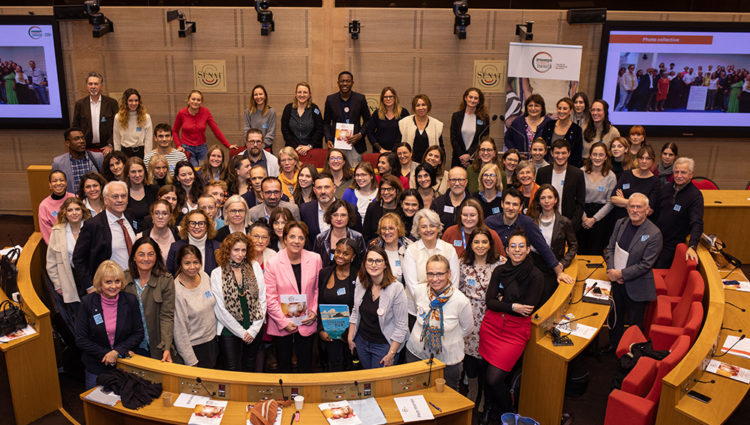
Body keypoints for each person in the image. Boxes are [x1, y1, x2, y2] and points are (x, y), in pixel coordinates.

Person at [479, 229, 543, 420]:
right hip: (491, 326)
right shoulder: (500, 270)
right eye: (512, 246)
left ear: (528, 249)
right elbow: (489, 301)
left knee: (494, 378)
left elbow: (528, 309)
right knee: (485, 373)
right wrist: (513, 305)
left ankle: (509, 410)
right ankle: (490, 407)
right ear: (506, 250)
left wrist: (503, 302)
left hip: (514, 332)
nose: (517, 250)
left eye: (521, 246)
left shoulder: (536, 276)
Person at [405, 254, 473, 390]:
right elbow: (416, 314)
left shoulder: (461, 300)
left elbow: (467, 329)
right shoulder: (419, 291)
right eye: (430, 274)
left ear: (449, 274)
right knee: (415, 392)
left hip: (448, 359)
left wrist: (445, 337)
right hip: (416, 353)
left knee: (447, 398)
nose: (435, 279)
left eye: (440, 274)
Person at [264, 221, 323, 373]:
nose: (296, 241)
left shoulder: (315, 259)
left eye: (301, 238)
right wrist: (283, 322)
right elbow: (270, 297)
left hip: (307, 320)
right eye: (292, 237)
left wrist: (315, 312)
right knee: (283, 366)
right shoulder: (273, 262)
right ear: (284, 239)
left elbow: (318, 289)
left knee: (306, 365)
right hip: (282, 323)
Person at [75, 261, 144, 389]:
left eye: (117, 281)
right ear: (100, 283)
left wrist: (117, 352)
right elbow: (80, 339)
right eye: (108, 282)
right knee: (95, 404)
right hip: (96, 365)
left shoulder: (130, 300)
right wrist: (106, 354)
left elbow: (138, 332)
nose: (113, 286)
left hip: (123, 363)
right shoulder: (87, 303)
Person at [605, 193, 662, 347]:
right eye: (632, 206)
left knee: (634, 326)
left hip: (637, 287)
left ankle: (631, 354)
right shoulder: (620, 223)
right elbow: (610, 248)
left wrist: (621, 274)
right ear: (627, 208)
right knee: (614, 317)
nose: (635, 210)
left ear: (647, 210)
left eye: (639, 207)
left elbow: (646, 264)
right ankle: (613, 346)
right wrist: (611, 271)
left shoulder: (654, 233)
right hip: (616, 282)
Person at [485, 187, 574, 285]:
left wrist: (559, 272)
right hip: (495, 271)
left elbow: (544, 248)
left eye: (515, 204)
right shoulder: (489, 223)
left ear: (521, 207)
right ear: (502, 204)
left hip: (520, 273)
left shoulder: (528, 223)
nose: (510, 208)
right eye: (507, 203)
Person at [458, 227, 503, 407]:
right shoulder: (463, 263)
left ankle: (484, 393)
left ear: (490, 244)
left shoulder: (500, 263)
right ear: (471, 244)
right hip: (469, 315)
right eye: (476, 242)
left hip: (491, 315)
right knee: (469, 356)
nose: (480, 245)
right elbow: (459, 289)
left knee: (487, 356)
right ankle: (473, 388)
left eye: (484, 241)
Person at [211, 233, 267, 372]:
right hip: (229, 329)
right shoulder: (217, 273)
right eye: (236, 250)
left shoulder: (254, 267)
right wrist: (241, 333)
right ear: (228, 250)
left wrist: (253, 330)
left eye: (243, 250)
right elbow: (220, 309)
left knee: (250, 366)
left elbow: (262, 299)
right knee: (232, 368)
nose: (240, 254)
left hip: (254, 326)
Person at [349, 247, 410, 369]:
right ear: (365, 263)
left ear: (385, 265)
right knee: (369, 380)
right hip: (362, 342)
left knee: (381, 385)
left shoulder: (396, 288)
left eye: (378, 261)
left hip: (385, 346)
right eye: (370, 260)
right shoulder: (361, 281)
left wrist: (391, 353)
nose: (373, 265)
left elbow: (401, 326)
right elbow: (355, 311)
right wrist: (350, 337)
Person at [73, 181, 136, 295]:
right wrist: (90, 286)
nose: (120, 200)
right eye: (115, 196)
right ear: (106, 200)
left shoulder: (130, 216)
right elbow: (78, 259)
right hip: (108, 287)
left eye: (123, 196)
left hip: (133, 282)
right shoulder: (93, 225)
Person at [402, 209, 460, 327]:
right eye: (424, 226)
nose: (428, 230)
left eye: (432, 226)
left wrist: (441, 304)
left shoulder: (449, 249)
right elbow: (412, 285)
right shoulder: (411, 251)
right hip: (417, 310)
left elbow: (454, 282)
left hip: (445, 309)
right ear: (418, 229)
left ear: (438, 228)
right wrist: (428, 305)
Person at [122, 237, 174, 362]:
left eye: (150, 254)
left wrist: (167, 346)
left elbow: (167, 316)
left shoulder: (165, 280)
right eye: (141, 254)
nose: (146, 259)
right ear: (134, 257)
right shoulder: (123, 278)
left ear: (156, 257)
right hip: (130, 346)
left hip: (156, 345)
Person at [527, 185, 578, 302]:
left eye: (550, 197)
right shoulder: (531, 220)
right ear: (538, 201)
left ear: (555, 200)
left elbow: (573, 245)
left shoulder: (564, 222)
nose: (546, 201)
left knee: (546, 299)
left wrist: (563, 263)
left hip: (552, 267)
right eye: (543, 198)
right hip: (533, 264)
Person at [173, 245, 219, 368]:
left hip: (212, 341)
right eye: (187, 263)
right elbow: (179, 330)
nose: (192, 267)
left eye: (196, 262)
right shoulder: (177, 290)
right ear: (180, 264)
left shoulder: (204, 277)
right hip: (194, 347)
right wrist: (191, 361)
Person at [317, 238, 360, 371]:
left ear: (353, 257)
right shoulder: (324, 273)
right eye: (338, 251)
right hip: (328, 335)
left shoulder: (359, 276)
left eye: (346, 253)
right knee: (330, 371)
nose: (340, 256)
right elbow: (319, 303)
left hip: (350, 336)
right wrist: (320, 330)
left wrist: (348, 334)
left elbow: (359, 308)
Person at [653, 157, 703, 268]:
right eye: (676, 172)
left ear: (691, 174)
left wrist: (692, 246)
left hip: (672, 244)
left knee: (657, 270)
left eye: (683, 172)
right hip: (655, 238)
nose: (679, 175)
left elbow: (697, 223)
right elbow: (655, 212)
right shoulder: (666, 188)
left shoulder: (695, 196)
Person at [46, 197, 90, 310]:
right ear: (65, 213)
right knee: (79, 314)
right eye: (70, 210)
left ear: (83, 211)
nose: (74, 213)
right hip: (70, 278)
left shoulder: (91, 227)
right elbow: (51, 262)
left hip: (91, 276)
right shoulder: (57, 232)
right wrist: (58, 284)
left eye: (77, 209)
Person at [172, 90, 236, 167]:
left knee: (205, 170)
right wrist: (178, 145)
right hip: (187, 148)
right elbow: (175, 131)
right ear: (188, 101)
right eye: (193, 99)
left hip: (202, 148)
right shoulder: (181, 113)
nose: (195, 102)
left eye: (198, 100)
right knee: (195, 170)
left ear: (201, 102)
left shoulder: (205, 112)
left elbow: (215, 130)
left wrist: (228, 145)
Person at [535, 139, 586, 231]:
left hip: (568, 224)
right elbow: (537, 199)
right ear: (551, 153)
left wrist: (572, 223)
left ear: (569, 153)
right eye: (557, 153)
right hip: (544, 222)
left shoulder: (577, 174)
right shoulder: (542, 172)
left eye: (563, 153)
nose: (560, 156)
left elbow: (580, 202)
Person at [323, 71, 371, 165]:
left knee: (355, 173)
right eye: (342, 81)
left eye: (348, 81)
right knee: (336, 170)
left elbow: (368, 120)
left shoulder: (360, 98)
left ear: (352, 83)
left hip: (355, 144)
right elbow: (326, 123)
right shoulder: (330, 99)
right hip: (337, 144)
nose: (345, 83)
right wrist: (328, 139)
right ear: (338, 83)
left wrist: (360, 134)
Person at [579, 142, 617, 255]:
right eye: (594, 154)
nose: (597, 158)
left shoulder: (611, 176)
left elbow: (610, 202)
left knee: (596, 251)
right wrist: (584, 217)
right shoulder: (581, 172)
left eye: (601, 155)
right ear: (590, 156)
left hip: (600, 218)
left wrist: (594, 219)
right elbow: (576, 197)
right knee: (580, 250)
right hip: (582, 214)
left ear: (606, 157)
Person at [610, 145, 661, 222]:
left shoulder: (655, 182)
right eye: (641, 158)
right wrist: (639, 205)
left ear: (652, 161)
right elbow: (613, 199)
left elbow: (649, 211)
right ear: (637, 159)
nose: (644, 161)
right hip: (619, 220)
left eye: (647, 158)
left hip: (639, 224)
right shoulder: (626, 174)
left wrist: (623, 201)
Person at [71, 72, 118, 153]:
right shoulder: (80, 104)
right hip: (86, 148)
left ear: (101, 86)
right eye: (90, 84)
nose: (93, 87)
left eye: (96, 84)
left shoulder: (112, 103)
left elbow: (118, 127)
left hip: (106, 149)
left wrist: (110, 145)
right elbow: (75, 127)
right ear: (87, 86)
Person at [313, 200, 367, 267]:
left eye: (343, 215)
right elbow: (315, 263)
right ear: (330, 217)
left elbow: (363, 262)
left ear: (349, 217)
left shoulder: (357, 237)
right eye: (335, 215)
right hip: (325, 276)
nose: (339, 219)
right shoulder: (320, 238)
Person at [166, 210, 220, 276]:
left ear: (207, 226)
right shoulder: (176, 247)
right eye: (192, 223)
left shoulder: (217, 247)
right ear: (187, 226)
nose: (197, 227)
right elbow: (169, 275)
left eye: (201, 223)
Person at [52, 127, 104, 194]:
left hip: (93, 200)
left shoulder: (98, 157)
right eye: (77, 139)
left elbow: (104, 181)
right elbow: (55, 187)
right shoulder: (58, 163)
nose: (82, 141)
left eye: (82, 138)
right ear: (67, 143)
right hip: (71, 202)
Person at [281, 82, 324, 155]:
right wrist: (296, 147)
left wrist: (309, 146)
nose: (302, 95)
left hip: (312, 150)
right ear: (296, 94)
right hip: (292, 151)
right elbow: (285, 130)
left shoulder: (314, 109)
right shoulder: (288, 108)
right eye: (299, 92)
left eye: (305, 92)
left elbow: (319, 130)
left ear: (309, 94)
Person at [450, 87, 490, 167]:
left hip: (475, 159)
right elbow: (453, 138)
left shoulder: (484, 118)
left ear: (479, 101)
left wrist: (469, 155)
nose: (472, 100)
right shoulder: (456, 116)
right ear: (465, 98)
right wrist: (462, 155)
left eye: (476, 98)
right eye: (470, 97)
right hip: (458, 158)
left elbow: (483, 139)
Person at [538, 97, 584, 167]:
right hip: (547, 167)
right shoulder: (549, 125)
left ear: (571, 111)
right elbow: (543, 146)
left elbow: (577, 155)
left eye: (565, 109)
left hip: (567, 169)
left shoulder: (576, 130)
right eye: (559, 108)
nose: (561, 111)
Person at [399, 94, 444, 163]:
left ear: (428, 106)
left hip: (430, 163)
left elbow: (441, 147)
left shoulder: (437, 124)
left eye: (423, 105)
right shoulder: (404, 123)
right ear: (414, 108)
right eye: (418, 105)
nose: (421, 108)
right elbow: (398, 144)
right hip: (409, 163)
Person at [370, 213, 412, 284]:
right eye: (383, 228)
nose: (387, 232)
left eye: (391, 228)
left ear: (398, 229)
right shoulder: (373, 246)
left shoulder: (409, 247)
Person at [366, 87, 410, 153]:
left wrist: (394, 150)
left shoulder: (403, 112)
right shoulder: (377, 113)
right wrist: (379, 148)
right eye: (385, 97)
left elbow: (407, 132)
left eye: (391, 96)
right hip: (379, 152)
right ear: (382, 99)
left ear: (395, 98)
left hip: (398, 152)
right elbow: (369, 132)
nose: (388, 99)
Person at [113, 88, 153, 159]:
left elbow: (148, 141)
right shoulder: (118, 117)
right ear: (125, 102)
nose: (134, 103)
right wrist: (118, 157)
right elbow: (116, 139)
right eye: (130, 101)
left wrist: (147, 158)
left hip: (141, 153)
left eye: (136, 100)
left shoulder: (146, 117)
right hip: (125, 153)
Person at [362, 175, 402, 243]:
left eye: (390, 189)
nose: (386, 192)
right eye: (383, 189)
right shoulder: (373, 207)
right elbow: (366, 235)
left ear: (397, 191)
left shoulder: (402, 209)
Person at [39, 170, 76, 244]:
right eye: (54, 181)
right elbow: (46, 233)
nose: (58, 183)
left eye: (61, 180)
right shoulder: (44, 206)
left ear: (66, 183)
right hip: (58, 245)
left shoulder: (74, 198)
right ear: (50, 184)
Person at [124, 157, 158, 232]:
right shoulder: (123, 193)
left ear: (144, 172)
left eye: (140, 171)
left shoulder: (154, 190)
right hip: (132, 233)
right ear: (128, 174)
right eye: (133, 172)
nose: (137, 175)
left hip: (153, 232)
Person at [243, 85, 277, 149]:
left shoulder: (271, 112)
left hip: (266, 147)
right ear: (253, 97)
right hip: (251, 147)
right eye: (256, 95)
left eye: (260, 94)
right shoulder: (248, 112)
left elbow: (271, 133)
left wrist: (261, 146)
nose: (258, 97)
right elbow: (246, 131)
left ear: (265, 96)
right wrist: (251, 145)